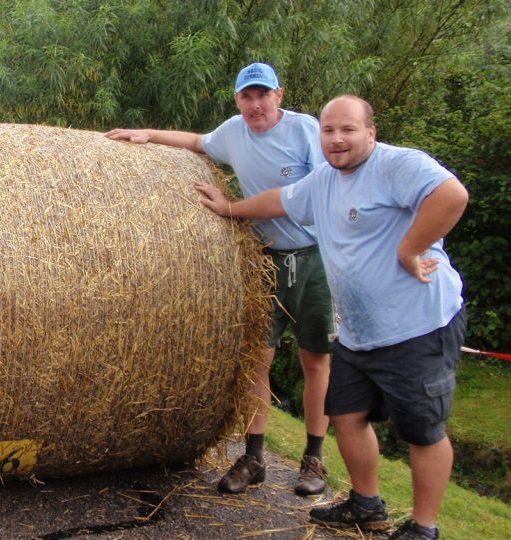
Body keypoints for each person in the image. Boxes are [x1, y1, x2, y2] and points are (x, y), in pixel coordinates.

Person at [195, 95, 468, 540]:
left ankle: (424, 526)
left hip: (417, 326)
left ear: (370, 133)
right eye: (328, 131)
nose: (337, 139)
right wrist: (227, 208)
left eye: (348, 129)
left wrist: (410, 248)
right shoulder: (323, 181)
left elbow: (452, 194)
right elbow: (278, 200)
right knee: (345, 414)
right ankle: (366, 504)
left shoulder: (397, 165)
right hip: (360, 333)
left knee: (422, 431)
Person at [105, 62, 333, 496]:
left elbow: (305, 198)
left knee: (314, 361)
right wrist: (147, 134)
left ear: (279, 95)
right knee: (257, 362)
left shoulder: (306, 131)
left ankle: (314, 461)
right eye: (247, 96)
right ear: (238, 101)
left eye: (263, 94)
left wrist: (232, 209)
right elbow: (196, 142)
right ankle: (253, 458)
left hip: (315, 258)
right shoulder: (234, 131)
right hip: (264, 260)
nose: (255, 104)